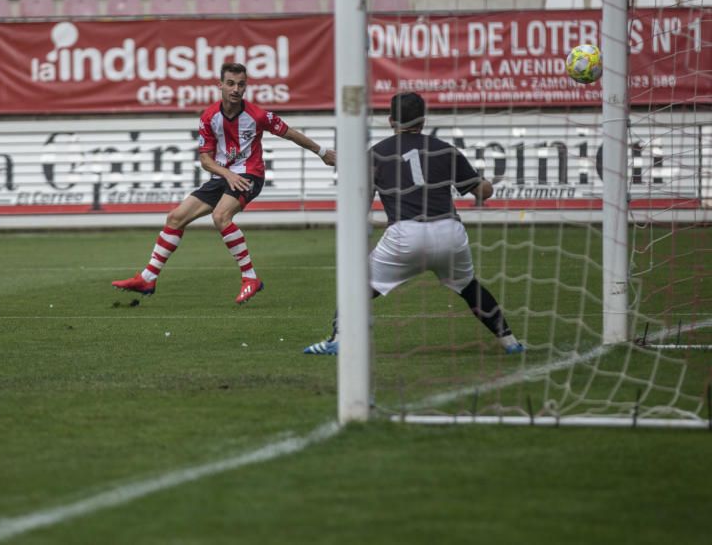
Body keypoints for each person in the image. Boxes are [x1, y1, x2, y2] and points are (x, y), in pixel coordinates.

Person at [303, 91, 523, 355]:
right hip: (449, 233)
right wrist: (483, 181)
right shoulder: (445, 149)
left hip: (405, 235)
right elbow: (483, 192)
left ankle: (338, 340)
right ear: (424, 120)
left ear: (390, 120)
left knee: (357, 286)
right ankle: (510, 343)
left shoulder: (376, 154)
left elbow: (360, 206)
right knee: (469, 287)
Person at [112, 62, 337, 304]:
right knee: (175, 217)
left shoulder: (257, 115)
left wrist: (322, 151)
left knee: (220, 217)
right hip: (222, 176)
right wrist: (227, 174)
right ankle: (148, 277)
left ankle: (250, 277)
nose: (236, 89)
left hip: (250, 175)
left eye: (241, 84)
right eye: (230, 83)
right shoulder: (209, 117)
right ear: (220, 85)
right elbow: (205, 160)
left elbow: (290, 132)